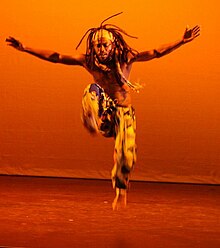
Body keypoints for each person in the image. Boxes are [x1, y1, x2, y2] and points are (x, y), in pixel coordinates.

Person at [6, 12, 200, 210]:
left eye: (105, 45)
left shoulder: (126, 58)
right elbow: (57, 57)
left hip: (122, 112)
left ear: (113, 44)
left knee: (126, 152)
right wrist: (25, 48)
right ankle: (90, 117)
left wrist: (181, 41)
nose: (101, 49)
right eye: (98, 45)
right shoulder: (88, 61)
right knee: (92, 90)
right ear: (93, 46)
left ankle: (121, 190)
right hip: (103, 108)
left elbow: (155, 52)